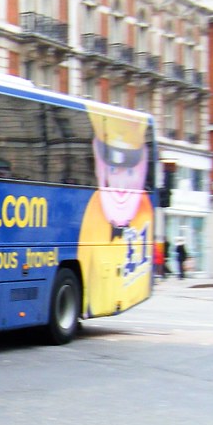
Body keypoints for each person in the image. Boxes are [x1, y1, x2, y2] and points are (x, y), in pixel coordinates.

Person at [76, 108, 154, 317]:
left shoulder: (140, 210)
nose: (120, 183)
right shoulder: (93, 213)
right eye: (112, 170)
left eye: (129, 171)